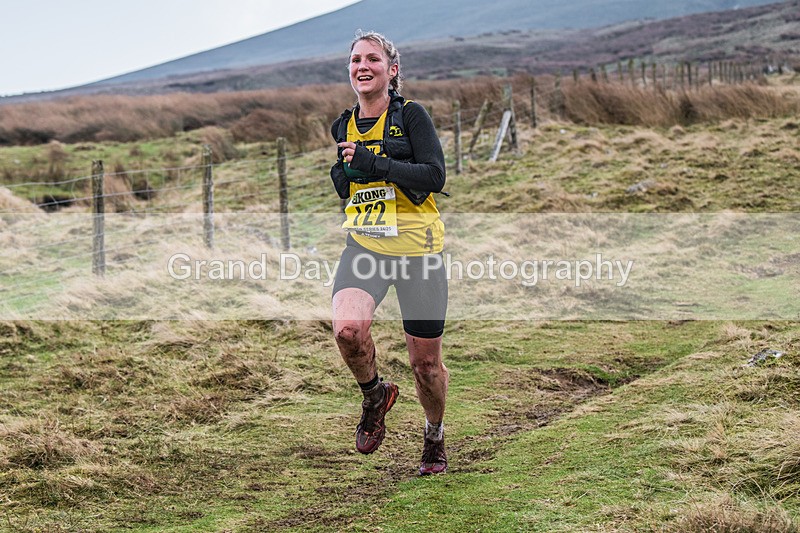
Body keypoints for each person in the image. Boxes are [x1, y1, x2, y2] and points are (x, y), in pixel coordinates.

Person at [329, 30, 449, 475]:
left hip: (419, 253)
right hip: (365, 248)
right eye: (356, 59)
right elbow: (353, 182)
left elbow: (434, 175)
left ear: (391, 70)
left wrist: (375, 163)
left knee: (425, 365)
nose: (363, 66)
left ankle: (434, 435)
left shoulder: (412, 116)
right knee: (347, 332)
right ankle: (375, 394)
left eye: (373, 59)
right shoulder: (342, 124)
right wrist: (343, 173)